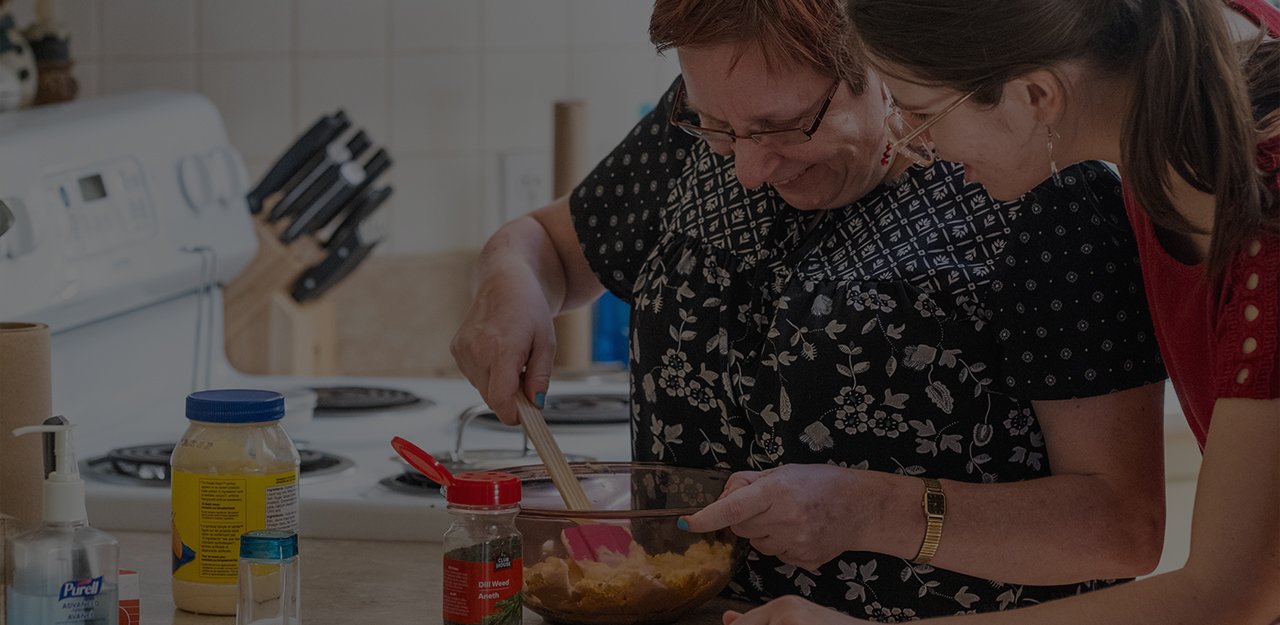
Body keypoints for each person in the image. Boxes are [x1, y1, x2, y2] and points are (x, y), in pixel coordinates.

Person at [451, 0, 1171, 617]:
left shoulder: (1031, 177)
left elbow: (1119, 525)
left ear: (882, 69)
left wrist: (869, 510)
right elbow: (543, 243)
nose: (748, 167)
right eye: (719, 128)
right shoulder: (704, 139)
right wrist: (507, 281)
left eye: (787, 125)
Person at [725, 0, 1280, 622]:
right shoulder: (1166, 74)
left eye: (924, 112)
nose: (912, 141)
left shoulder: (1265, 221)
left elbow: (1229, 597)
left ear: (1035, 95)